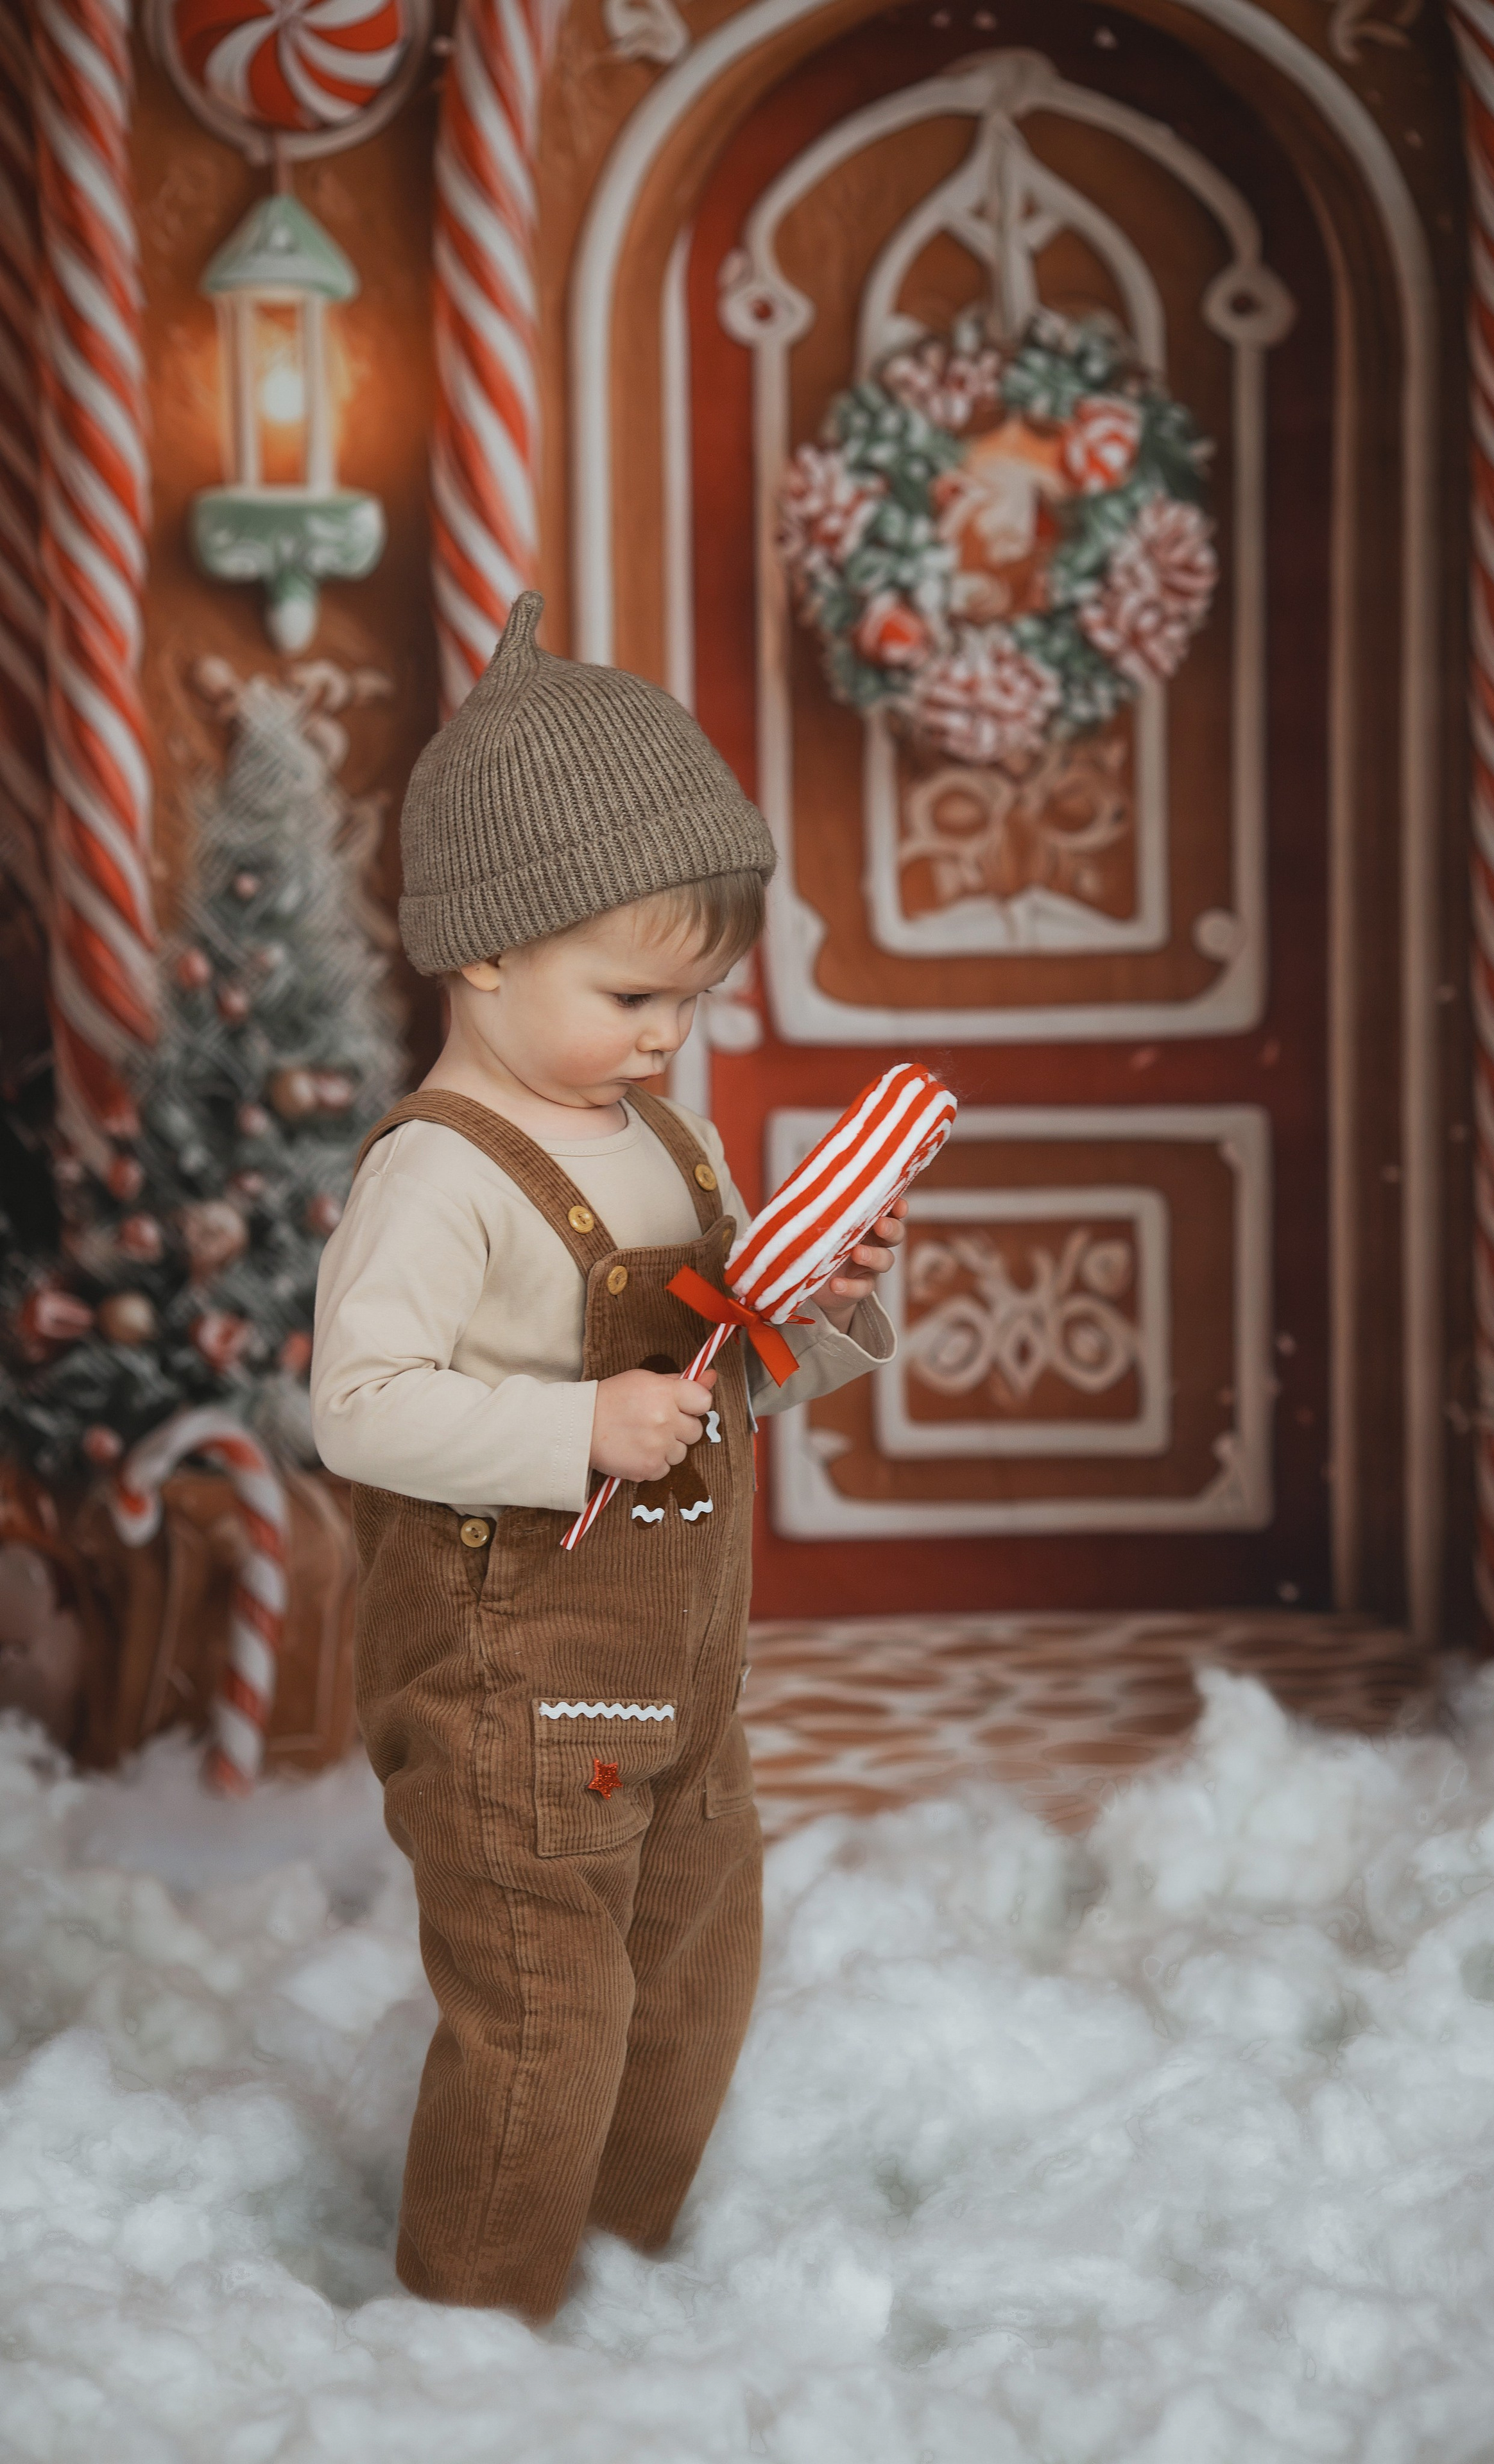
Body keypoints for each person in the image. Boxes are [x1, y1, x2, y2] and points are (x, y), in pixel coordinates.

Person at [309, 592, 904, 2318]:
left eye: (695, 1001)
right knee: (544, 2012)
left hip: (681, 1677)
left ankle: (620, 2281)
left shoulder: (671, 1140)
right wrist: (576, 1424)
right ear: (485, 951)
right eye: (634, 992)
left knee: (693, 1978)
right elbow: (358, 1405)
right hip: (510, 1692)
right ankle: (474, 2321)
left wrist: (820, 1305)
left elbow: (725, 1379)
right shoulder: (439, 1173)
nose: (668, 1035)